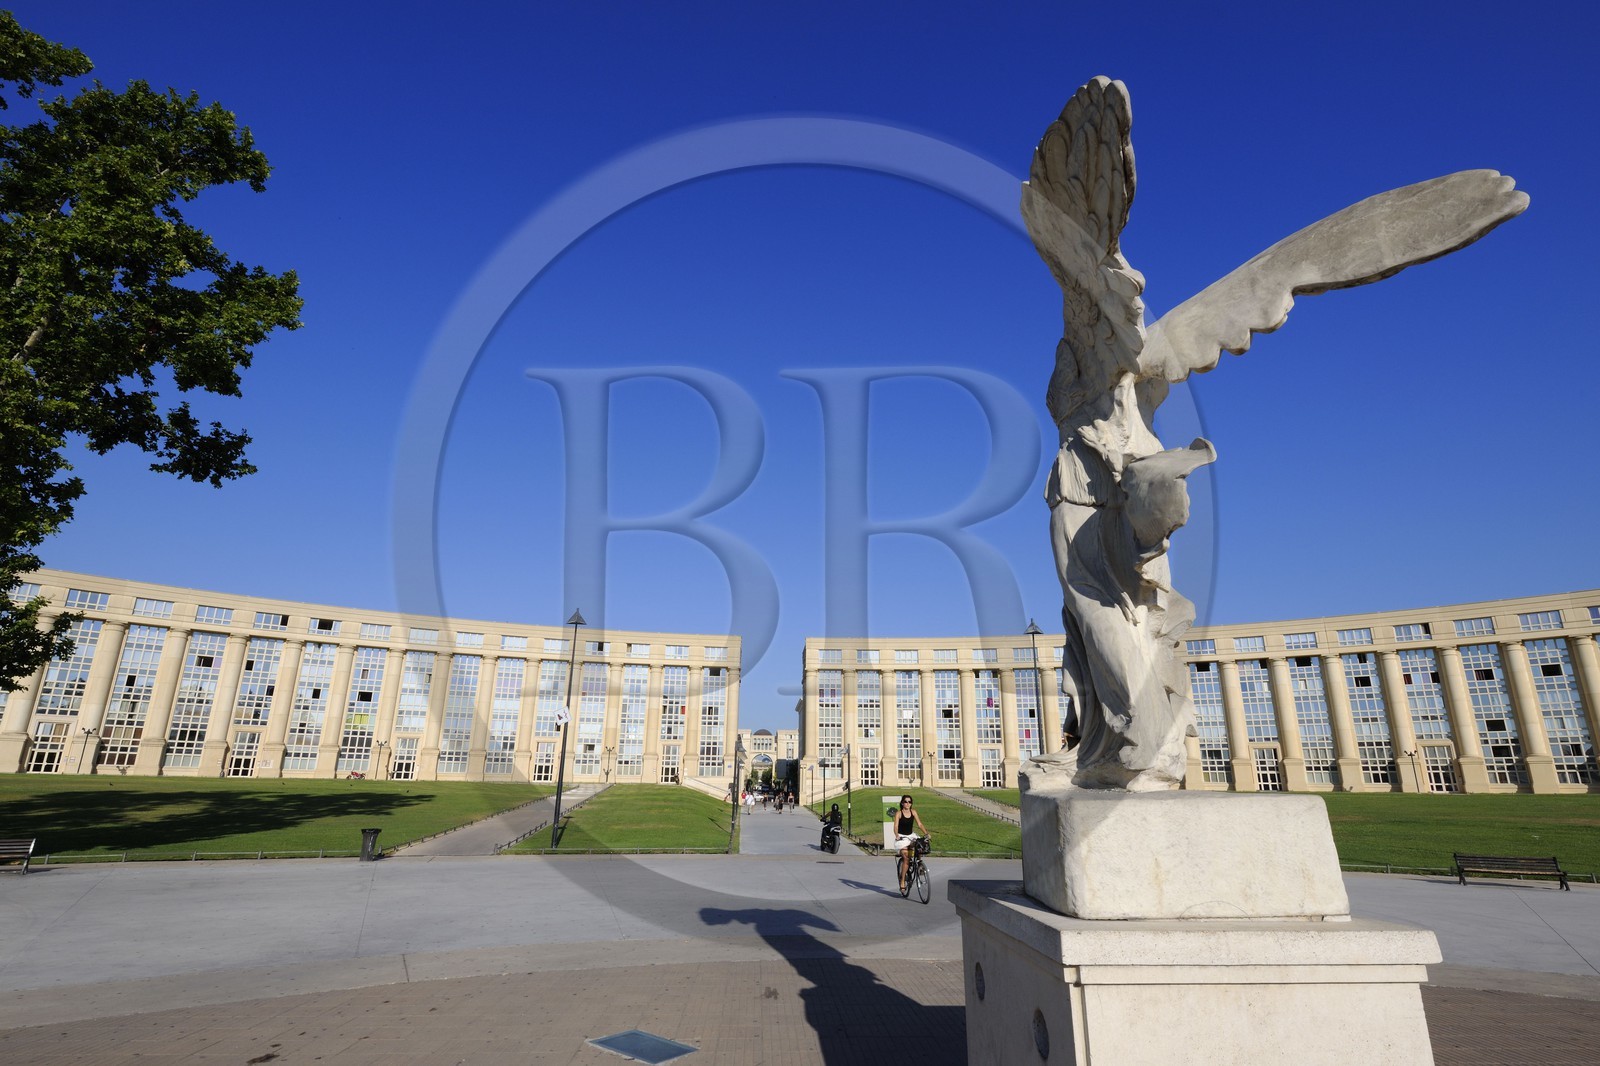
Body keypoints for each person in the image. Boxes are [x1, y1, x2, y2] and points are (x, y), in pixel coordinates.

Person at [892, 795, 929, 892]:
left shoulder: (913, 812)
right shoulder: (899, 813)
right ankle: (903, 880)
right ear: (902, 803)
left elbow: (919, 824)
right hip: (902, 838)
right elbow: (895, 826)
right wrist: (896, 835)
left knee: (920, 846)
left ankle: (919, 865)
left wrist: (926, 833)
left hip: (911, 836)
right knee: (906, 858)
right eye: (905, 801)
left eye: (909, 802)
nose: (907, 803)